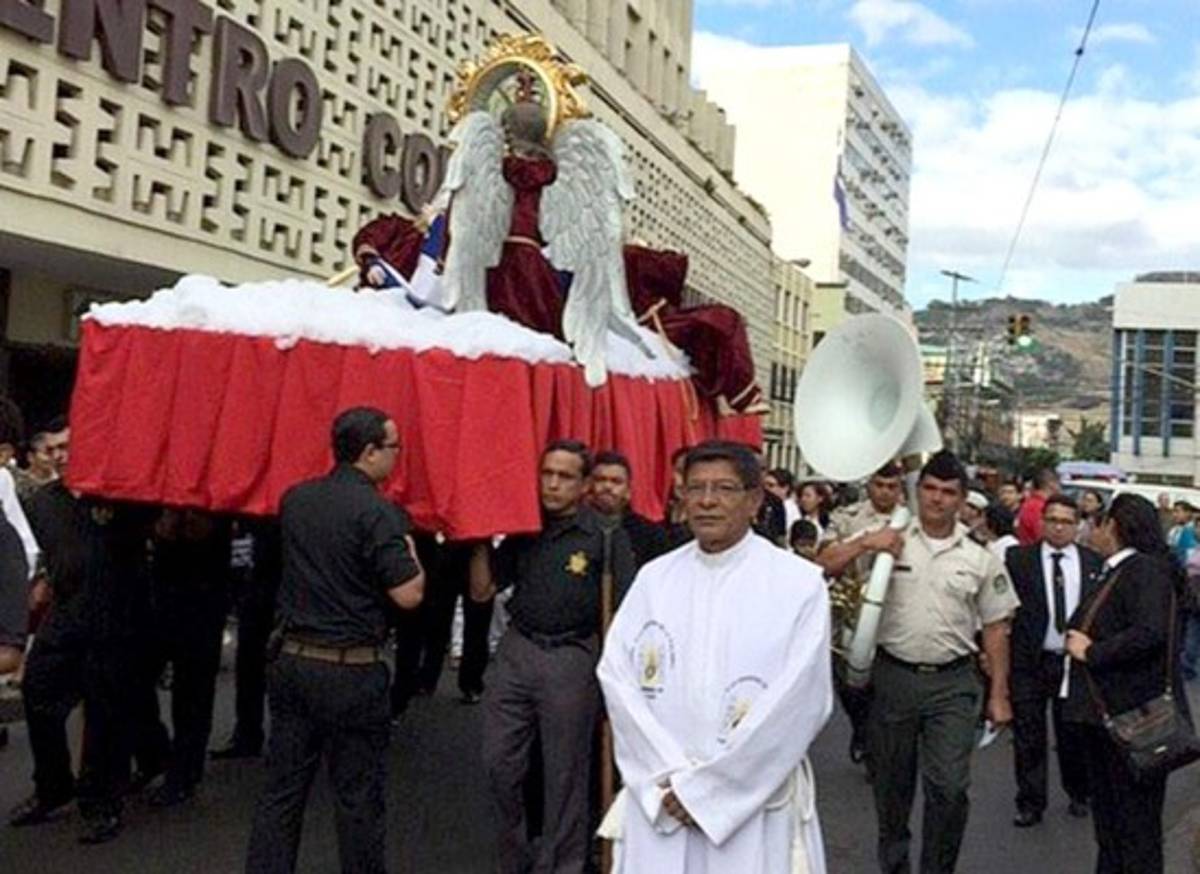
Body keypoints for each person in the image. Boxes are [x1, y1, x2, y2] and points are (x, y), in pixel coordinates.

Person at [596, 440, 832, 874]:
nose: (707, 501)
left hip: (751, 806)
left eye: (723, 488)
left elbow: (801, 702)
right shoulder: (655, 579)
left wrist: (710, 792)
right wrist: (666, 777)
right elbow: (617, 676)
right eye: (695, 488)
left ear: (755, 499)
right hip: (663, 797)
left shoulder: (798, 585)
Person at [244, 406, 425, 874]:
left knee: (281, 794)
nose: (396, 456)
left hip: (294, 661)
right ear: (369, 453)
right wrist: (409, 548)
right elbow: (408, 594)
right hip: (353, 671)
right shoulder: (380, 513)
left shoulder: (296, 499)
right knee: (358, 798)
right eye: (394, 448)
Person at [476, 439, 635, 874]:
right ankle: (515, 858)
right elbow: (481, 590)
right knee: (498, 764)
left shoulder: (605, 535)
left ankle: (562, 864)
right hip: (517, 650)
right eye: (546, 474)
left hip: (572, 656)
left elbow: (622, 613)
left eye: (564, 476)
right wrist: (476, 539)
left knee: (565, 774)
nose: (552, 484)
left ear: (584, 484)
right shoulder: (524, 526)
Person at [868, 450, 1019, 874]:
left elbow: (995, 629)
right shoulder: (889, 540)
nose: (937, 499)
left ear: (962, 499)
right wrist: (865, 544)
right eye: (930, 489)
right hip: (894, 676)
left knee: (950, 789)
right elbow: (824, 569)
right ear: (918, 492)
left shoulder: (980, 558)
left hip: (952, 684)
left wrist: (1000, 696)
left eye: (948, 492)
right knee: (892, 790)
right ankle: (895, 865)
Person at [13, 440, 159, 844]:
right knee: (37, 690)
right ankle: (53, 786)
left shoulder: (120, 496)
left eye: (65, 446)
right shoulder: (43, 501)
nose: (58, 455)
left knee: (105, 712)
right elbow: (42, 551)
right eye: (49, 448)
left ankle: (102, 802)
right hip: (65, 614)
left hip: (115, 617)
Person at [1063, 493, 1191, 874]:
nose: (1094, 531)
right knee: (1112, 827)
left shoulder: (1143, 571)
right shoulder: (1117, 569)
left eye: (1099, 522)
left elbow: (1149, 632)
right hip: (1109, 718)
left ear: (1113, 527)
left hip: (1133, 719)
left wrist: (1093, 651)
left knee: (1135, 829)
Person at [1004, 494, 1102, 827]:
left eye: (1066, 522)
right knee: (1029, 734)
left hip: (1072, 663)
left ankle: (1078, 791)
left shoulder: (1092, 563)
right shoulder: (1019, 560)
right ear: (1042, 522)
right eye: (1053, 520)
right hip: (1031, 660)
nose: (1059, 528)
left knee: (1072, 732)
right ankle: (1030, 801)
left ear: (1077, 526)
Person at [815, 461, 905, 771]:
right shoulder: (846, 517)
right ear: (869, 485)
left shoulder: (913, 520)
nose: (885, 492)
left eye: (892, 486)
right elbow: (824, 562)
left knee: (886, 691)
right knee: (851, 687)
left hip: (895, 615)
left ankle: (878, 747)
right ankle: (861, 730)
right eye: (879, 485)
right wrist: (864, 542)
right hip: (851, 617)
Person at [142, 509, 233, 805]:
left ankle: (184, 771)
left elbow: (204, 530)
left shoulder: (214, 489)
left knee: (192, 688)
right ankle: (155, 752)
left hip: (204, 594)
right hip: (160, 590)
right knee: (134, 678)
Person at [622, 243, 767, 413]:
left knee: (717, 326)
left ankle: (729, 392)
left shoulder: (628, 261)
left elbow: (671, 280)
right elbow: (672, 271)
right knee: (722, 320)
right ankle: (740, 395)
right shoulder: (632, 256)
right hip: (657, 322)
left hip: (663, 318)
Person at [211, 519, 281, 759]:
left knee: (265, 667)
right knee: (250, 665)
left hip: (271, 588)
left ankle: (258, 735)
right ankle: (248, 733)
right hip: (256, 591)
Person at [588, 450, 670, 569]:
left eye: (616, 481)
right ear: (588, 485)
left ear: (628, 490)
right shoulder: (573, 530)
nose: (607, 487)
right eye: (600, 480)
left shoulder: (651, 535)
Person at [1015, 468, 1060, 546]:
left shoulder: (1030, 504)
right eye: (1058, 484)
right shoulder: (1038, 507)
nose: (1059, 488)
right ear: (1051, 484)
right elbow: (1042, 536)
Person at [764, 467, 801, 533]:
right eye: (764, 485)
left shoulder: (790, 509)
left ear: (785, 488)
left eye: (771, 485)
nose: (766, 489)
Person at [1167, 501, 1197, 565]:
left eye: (1177, 511)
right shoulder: (1173, 530)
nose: (1174, 515)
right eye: (1173, 512)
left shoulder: (1195, 530)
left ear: (1187, 513)